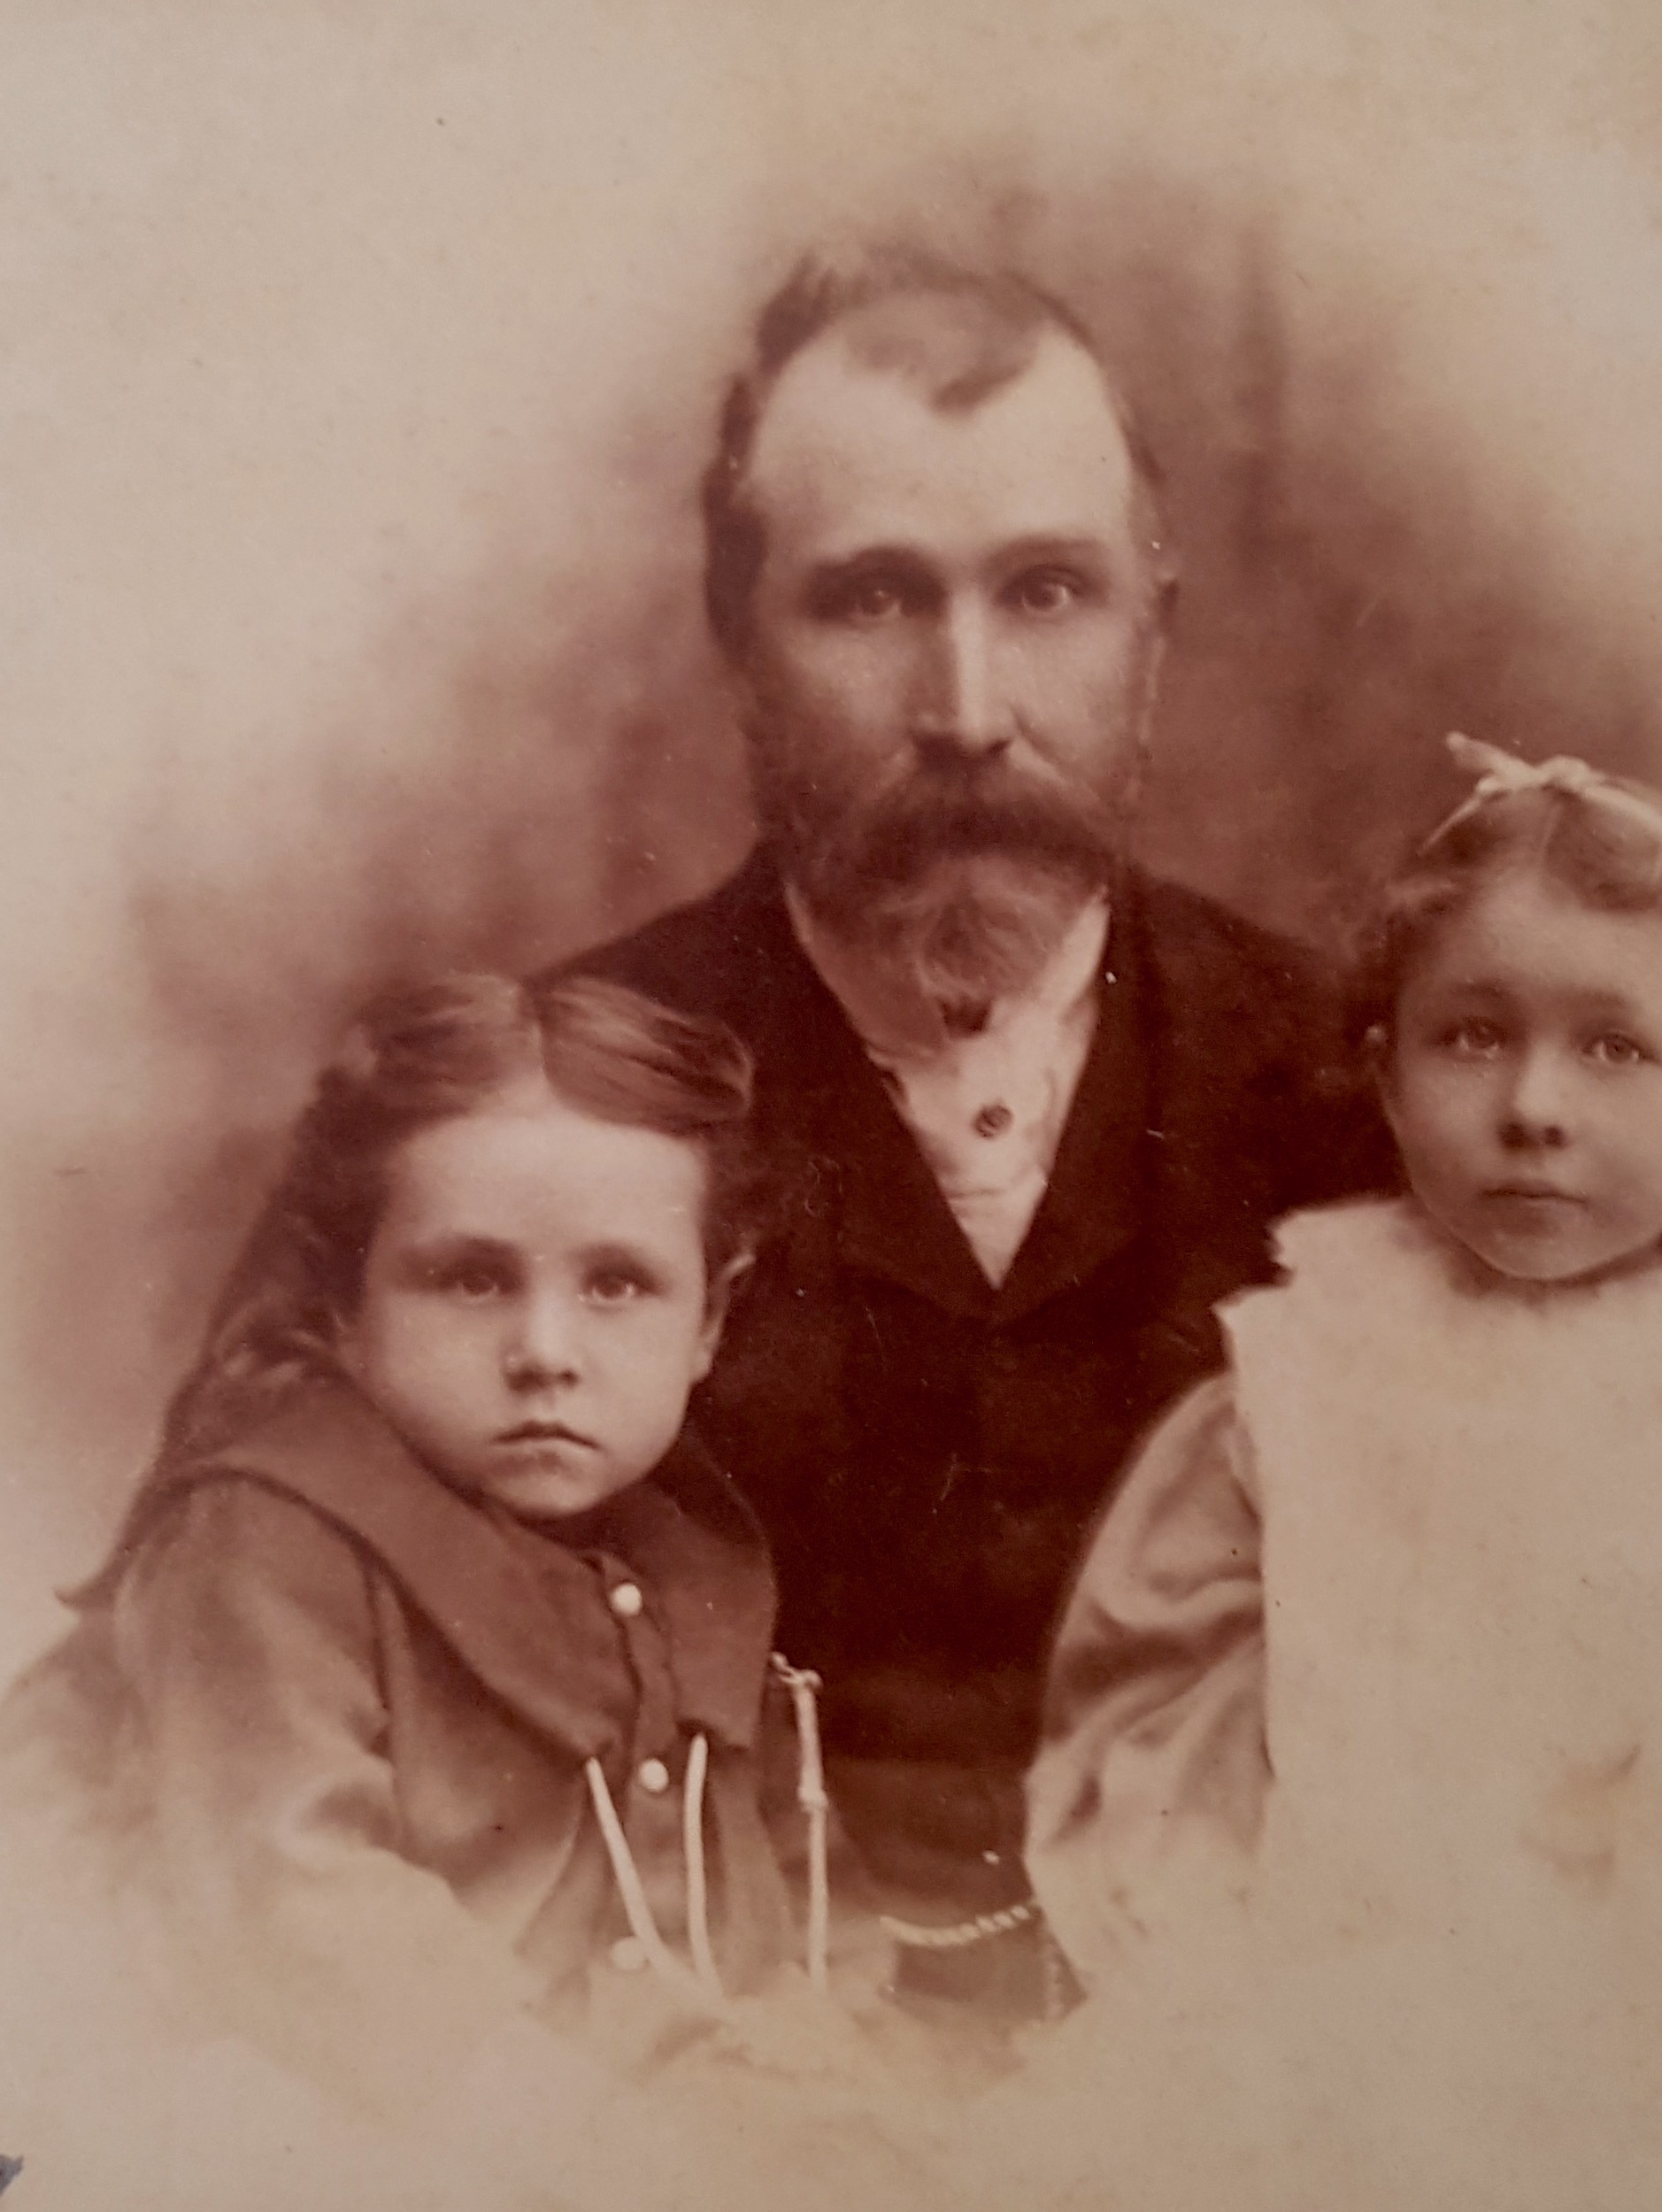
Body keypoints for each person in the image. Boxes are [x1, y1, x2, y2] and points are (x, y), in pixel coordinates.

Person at [566, 242, 1391, 2030]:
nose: (966, 710)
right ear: (737, 638)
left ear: (1154, 621)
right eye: (871, 600)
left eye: (1046, 592)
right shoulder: (545, 1103)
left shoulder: (1367, 1094)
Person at [1021, 736, 1662, 2167]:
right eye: (1471, 1036)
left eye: (1614, 1048)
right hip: (1316, 2024)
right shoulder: (1297, 1377)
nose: (1533, 1107)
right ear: (1387, 1079)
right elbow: (1155, 1741)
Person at [0, 975, 888, 2196]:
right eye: (473, 1280)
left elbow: (792, 1887)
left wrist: (836, 2071)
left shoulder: (685, 1551)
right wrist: (602, 2145)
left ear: (712, 1318)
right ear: (345, 1305)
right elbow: (296, 1903)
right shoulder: (269, 1533)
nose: (545, 1353)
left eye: (617, 1285)